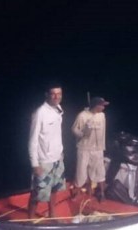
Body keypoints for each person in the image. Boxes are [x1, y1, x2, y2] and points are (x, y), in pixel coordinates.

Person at [27, 83, 65, 218]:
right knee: (37, 193)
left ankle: (52, 214)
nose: (56, 96)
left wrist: (60, 153)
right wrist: (35, 164)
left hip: (58, 159)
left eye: (59, 93)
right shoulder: (39, 113)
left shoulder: (58, 109)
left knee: (55, 189)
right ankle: (30, 219)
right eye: (53, 93)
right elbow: (33, 140)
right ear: (47, 95)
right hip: (44, 162)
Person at [72, 96, 109, 201]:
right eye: (102, 105)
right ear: (96, 105)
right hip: (84, 148)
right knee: (81, 171)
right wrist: (82, 134)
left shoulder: (102, 116)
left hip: (98, 148)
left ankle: (102, 193)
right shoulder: (82, 115)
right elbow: (74, 129)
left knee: (99, 171)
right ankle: (77, 192)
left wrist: (102, 145)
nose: (103, 107)